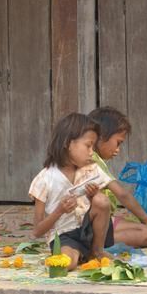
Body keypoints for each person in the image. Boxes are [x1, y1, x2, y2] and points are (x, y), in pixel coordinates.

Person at [29, 113, 115, 270]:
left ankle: (97, 251)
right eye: (88, 146)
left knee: (101, 200)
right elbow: (37, 231)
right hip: (65, 236)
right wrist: (59, 211)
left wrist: (92, 195)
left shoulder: (91, 170)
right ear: (68, 144)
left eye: (93, 147)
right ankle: (75, 255)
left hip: (90, 231)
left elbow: (102, 206)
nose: (91, 152)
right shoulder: (44, 179)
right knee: (67, 263)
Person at [88, 107, 147, 248]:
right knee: (146, 235)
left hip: (101, 220)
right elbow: (122, 194)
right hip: (86, 225)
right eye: (118, 142)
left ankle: (94, 241)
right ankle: (90, 244)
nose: (118, 149)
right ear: (101, 136)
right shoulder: (91, 162)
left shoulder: (95, 160)